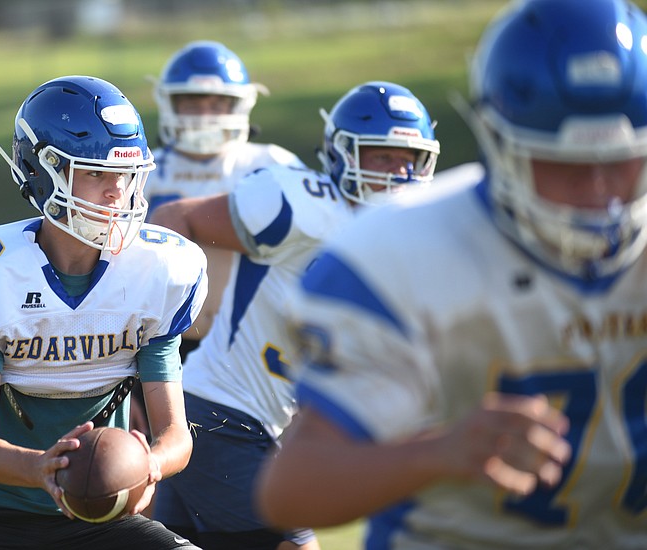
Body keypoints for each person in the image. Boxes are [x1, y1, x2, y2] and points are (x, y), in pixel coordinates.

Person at [256, 0, 647, 548]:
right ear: (501, 143)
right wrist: (440, 452)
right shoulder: (403, 252)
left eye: (621, 163)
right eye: (563, 166)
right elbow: (290, 492)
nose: (597, 193)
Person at [0, 75, 207, 549]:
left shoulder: (156, 273)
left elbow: (176, 434)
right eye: (94, 173)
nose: (116, 192)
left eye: (125, 175)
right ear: (41, 171)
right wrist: (41, 469)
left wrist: (147, 464)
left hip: (98, 517)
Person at [149, 81, 441, 550]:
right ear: (344, 155)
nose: (399, 172)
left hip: (243, 419)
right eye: (382, 156)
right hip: (223, 413)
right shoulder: (300, 204)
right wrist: (157, 343)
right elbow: (173, 219)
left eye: (411, 159)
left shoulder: (408, 243)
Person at [130, 40, 305, 437]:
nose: (205, 116)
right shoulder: (144, 171)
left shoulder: (271, 165)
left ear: (241, 105)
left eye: (217, 103)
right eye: (193, 102)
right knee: (147, 468)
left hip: (250, 347)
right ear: (170, 103)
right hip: (162, 345)